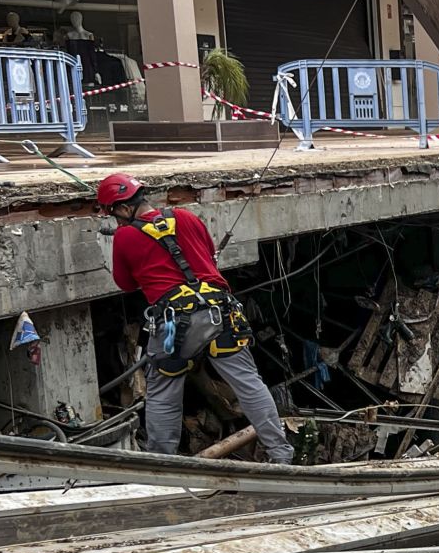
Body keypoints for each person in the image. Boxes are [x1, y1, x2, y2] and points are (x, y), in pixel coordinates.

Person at [96, 173, 294, 463]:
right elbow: (208, 254)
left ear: (124, 209)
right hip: (220, 312)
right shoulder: (186, 218)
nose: (116, 222)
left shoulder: (126, 235)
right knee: (249, 385)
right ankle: (282, 455)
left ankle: (161, 465)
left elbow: (126, 284)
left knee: (163, 393)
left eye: (115, 215)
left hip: (175, 323)